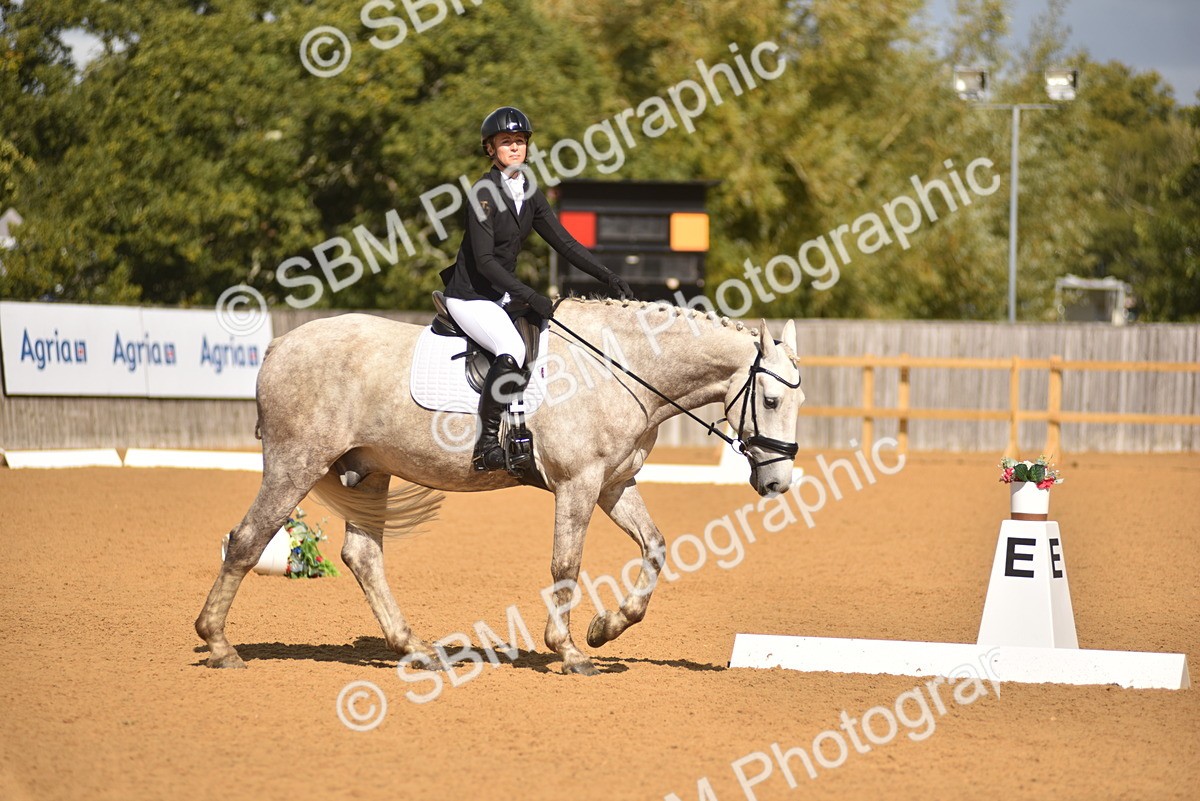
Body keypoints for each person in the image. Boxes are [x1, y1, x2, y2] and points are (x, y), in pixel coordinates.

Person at [441, 106, 635, 472]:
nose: (514, 148)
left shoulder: (528, 189)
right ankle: (485, 445)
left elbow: (566, 243)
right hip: (471, 295)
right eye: (506, 142)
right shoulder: (483, 192)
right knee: (511, 347)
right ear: (490, 149)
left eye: (519, 141)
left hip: (501, 296)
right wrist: (529, 294)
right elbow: (485, 261)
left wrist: (608, 276)